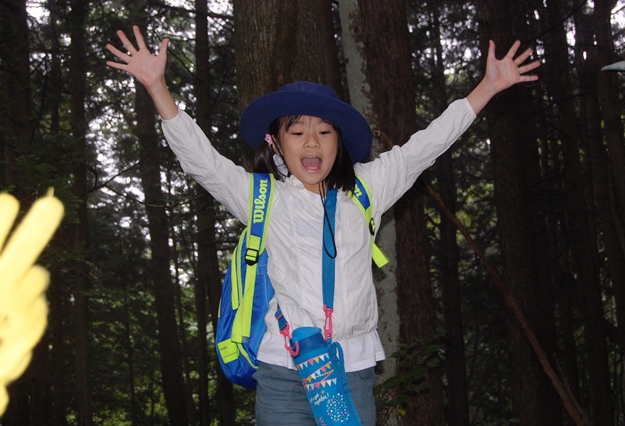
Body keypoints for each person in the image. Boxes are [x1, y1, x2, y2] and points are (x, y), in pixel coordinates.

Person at [107, 25, 539, 425]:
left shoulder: (369, 187)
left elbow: (427, 146)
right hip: (284, 371)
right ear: (276, 142)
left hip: (352, 373)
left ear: (340, 142)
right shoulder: (265, 197)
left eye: (324, 132)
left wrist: (488, 87)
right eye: (297, 132)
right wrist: (156, 86)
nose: (311, 142)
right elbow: (202, 162)